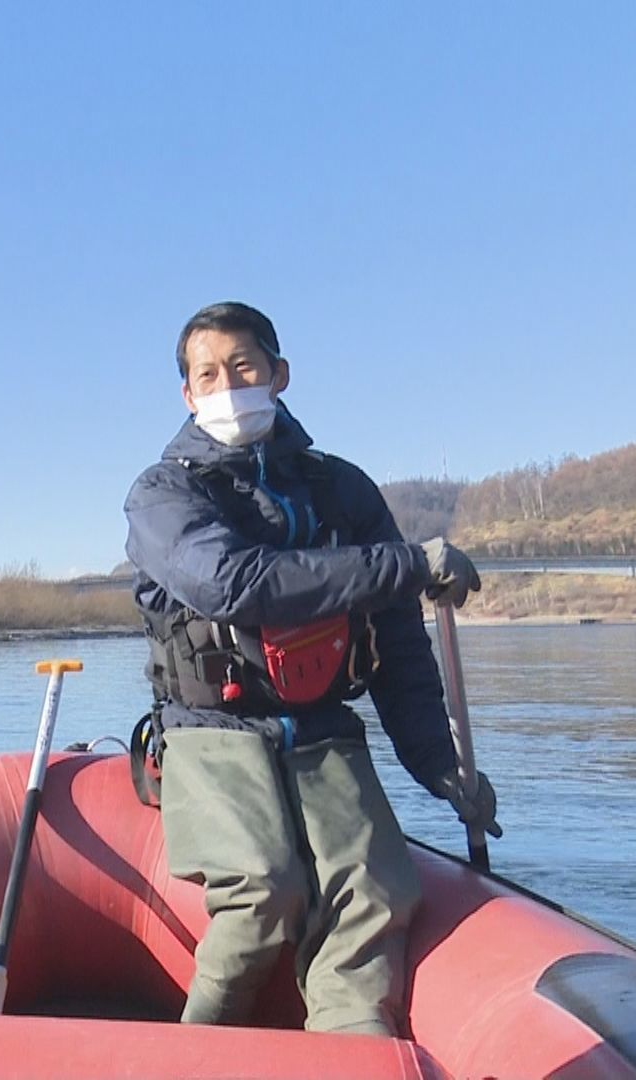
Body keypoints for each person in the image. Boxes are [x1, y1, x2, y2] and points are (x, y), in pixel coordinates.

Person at [123, 301, 499, 1038]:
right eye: (209, 374)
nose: (229, 386)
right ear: (187, 395)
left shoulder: (342, 490)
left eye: (244, 368)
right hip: (212, 728)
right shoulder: (163, 496)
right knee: (264, 891)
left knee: (379, 891)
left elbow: (398, 644)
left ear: (279, 374)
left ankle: (350, 1049)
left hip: (324, 725)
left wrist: (436, 762)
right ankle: (198, 1050)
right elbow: (237, 584)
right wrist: (406, 566)